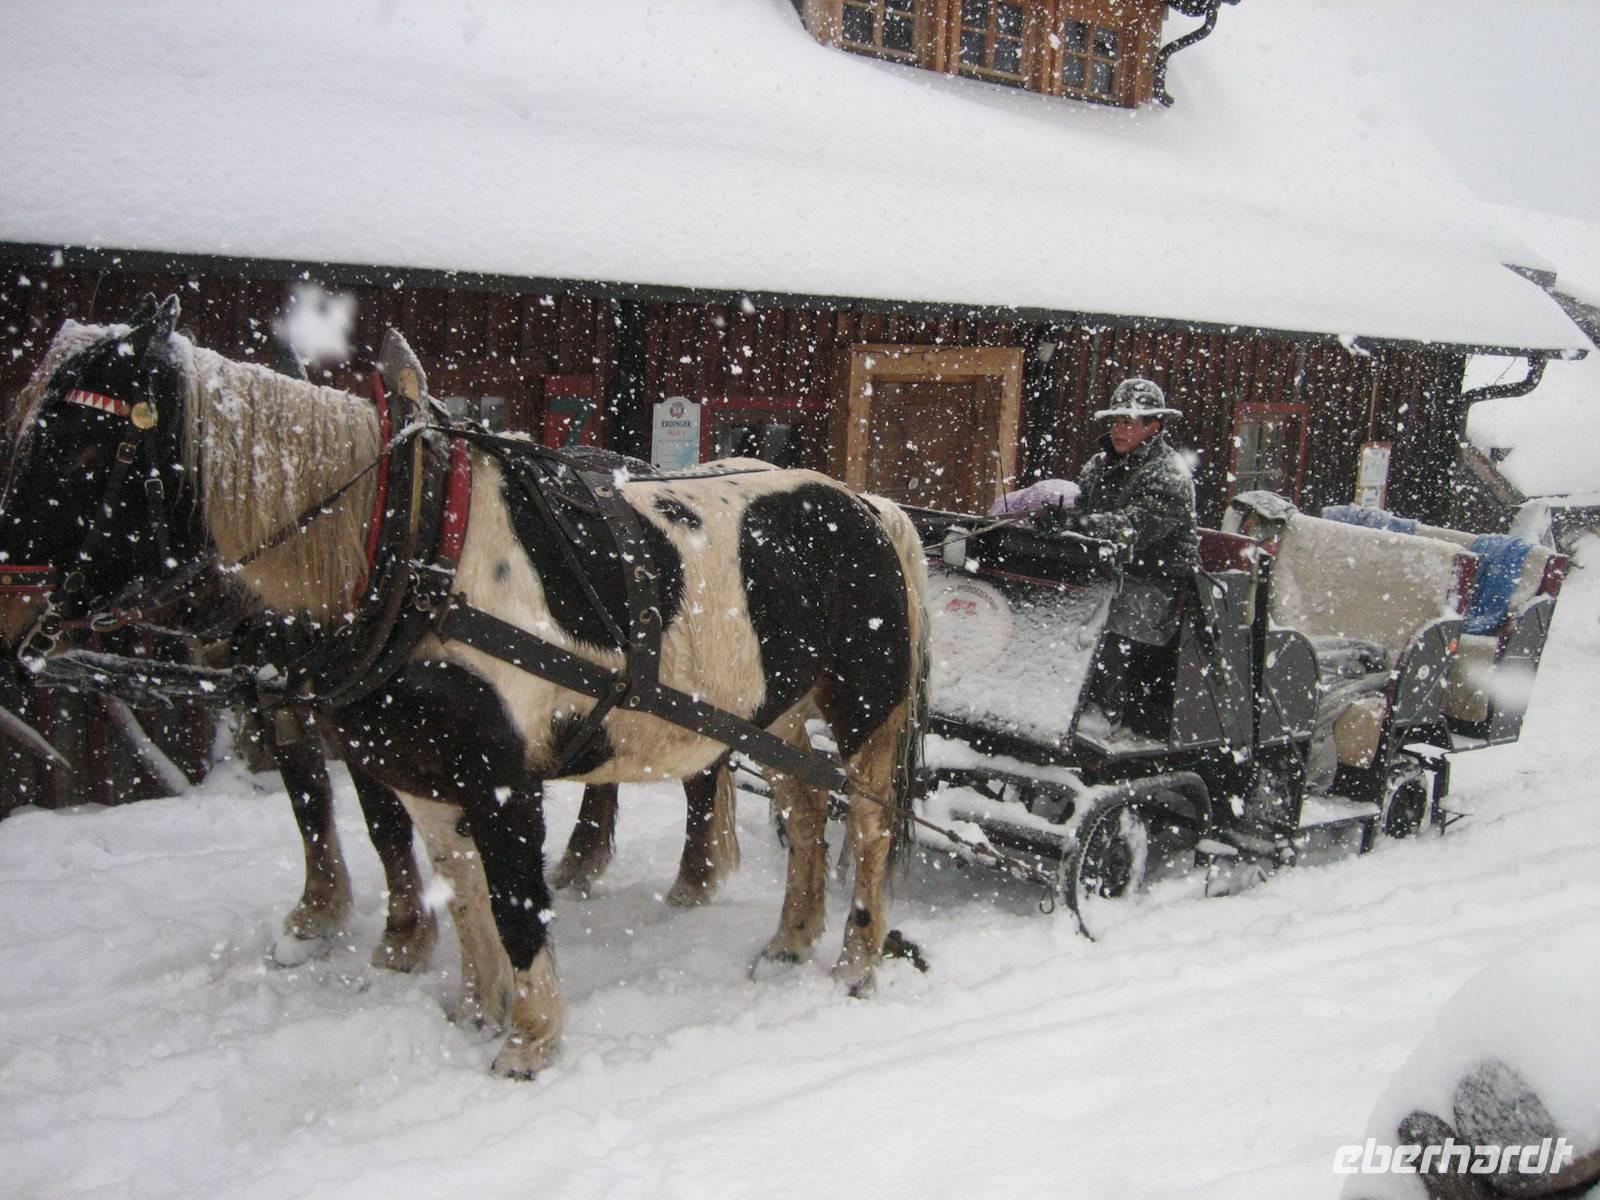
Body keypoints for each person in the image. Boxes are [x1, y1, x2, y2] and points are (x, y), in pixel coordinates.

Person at [1058, 377, 1199, 734]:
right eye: (1115, 421)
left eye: (1129, 422)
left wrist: (1080, 524)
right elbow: (1081, 508)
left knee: (1109, 611)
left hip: (1154, 584)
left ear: (1154, 426)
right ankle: (1054, 695)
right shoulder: (1098, 465)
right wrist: (1058, 519)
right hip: (1104, 572)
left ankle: (1106, 709)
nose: (1119, 430)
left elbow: (1133, 529)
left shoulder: (1169, 474)